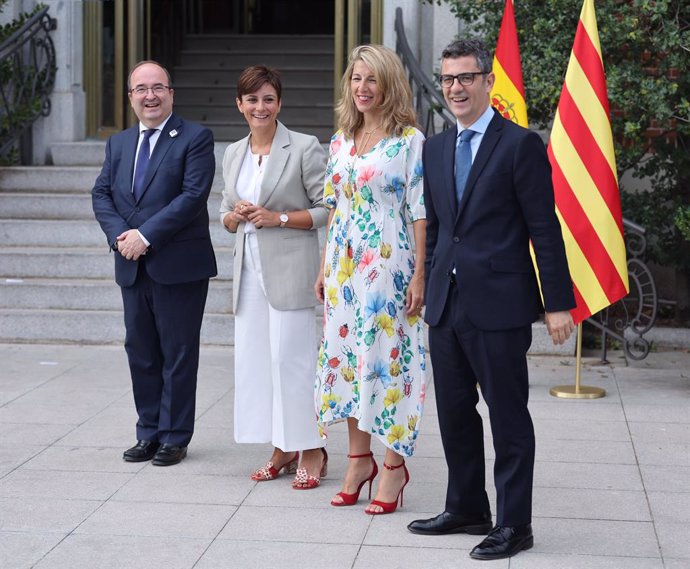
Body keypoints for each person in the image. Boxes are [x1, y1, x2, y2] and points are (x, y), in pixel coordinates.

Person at [406, 39, 576, 560]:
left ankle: (514, 524)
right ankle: (466, 507)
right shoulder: (434, 147)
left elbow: (543, 229)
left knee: (507, 414)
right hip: (446, 303)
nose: (456, 88)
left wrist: (557, 302)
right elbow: (436, 229)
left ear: (487, 82)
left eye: (466, 78)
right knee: (455, 412)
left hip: (500, 303)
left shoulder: (520, 145)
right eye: (448, 79)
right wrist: (429, 281)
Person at [314, 45, 427, 515]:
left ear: (388, 85)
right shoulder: (341, 138)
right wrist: (324, 267)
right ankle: (359, 461)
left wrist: (421, 272)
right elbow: (333, 205)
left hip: (388, 264)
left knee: (389, 363)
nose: (362, 88)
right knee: (347, 361)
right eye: (356, 79)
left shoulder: (408, 140)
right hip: (343, 267)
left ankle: (394, 465)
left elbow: (419, 210)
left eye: (372, 80)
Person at [92, 60, 216, 466]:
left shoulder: (195, 137)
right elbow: (102, 194)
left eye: (158, 87)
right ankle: (148, 433)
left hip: (178, 264)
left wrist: (144, 236)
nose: (150, 96)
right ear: (130, 97)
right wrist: (121, 237)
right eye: (141, 89)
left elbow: (192, 196)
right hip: (132, 264)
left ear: (171, 93)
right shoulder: (119, 143)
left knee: (178, 352)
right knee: (141, 351)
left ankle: (175, 437)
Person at [219, 65, 329, 489]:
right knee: (259, 363)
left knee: (293, 362)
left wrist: (277, 217)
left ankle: (312, 448)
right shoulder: (233, 152)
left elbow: (326, 208)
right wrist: (235, 215)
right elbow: (225, 211)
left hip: (290, 271)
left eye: (268, 99)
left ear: (279, 103)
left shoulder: (303, 146)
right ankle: (282, 447)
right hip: (249, 274)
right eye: (251, 99)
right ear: (240, 105)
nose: (259, 107)